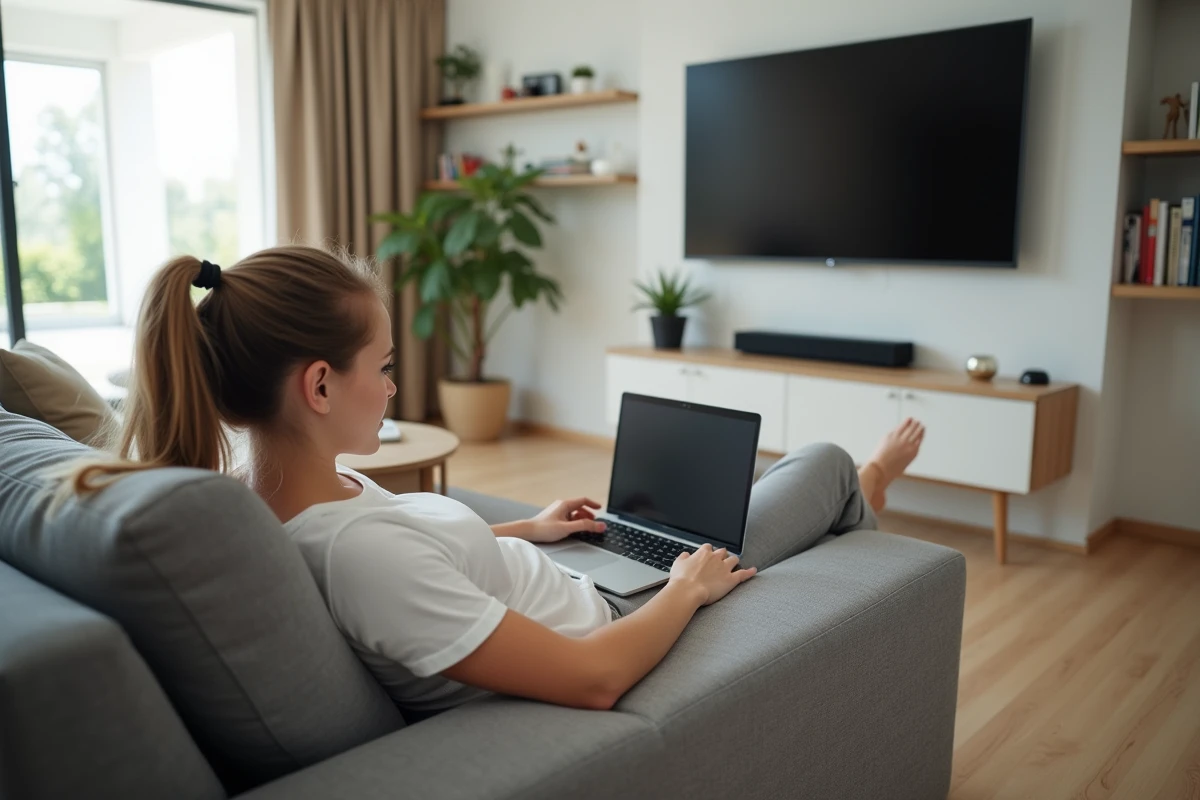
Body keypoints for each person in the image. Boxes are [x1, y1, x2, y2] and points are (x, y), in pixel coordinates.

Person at [62, 246, 925, 715]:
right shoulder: (359, 556)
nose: (395, 386)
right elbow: (592, 679)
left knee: (745, 490)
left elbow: (415, 558)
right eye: (385, 365)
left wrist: (529, 529)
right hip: (617, 617)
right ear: (319, 385)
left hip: (565, 570)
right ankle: (872, 486)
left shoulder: (279, 492)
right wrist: (688, 592)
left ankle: (855, 498)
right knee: (823, 464)